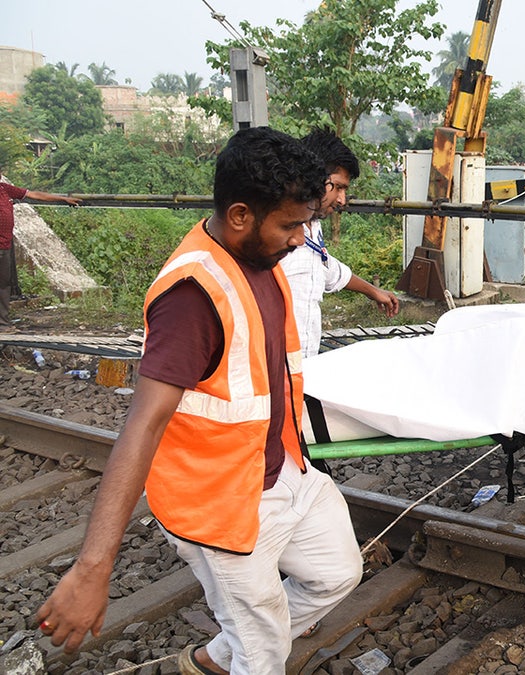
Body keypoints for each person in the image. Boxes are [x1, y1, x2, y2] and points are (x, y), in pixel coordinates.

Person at [35, 127, 363, 674]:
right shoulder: (191, 296)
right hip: (220, 502)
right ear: (240, 215)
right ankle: (241, 653)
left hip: (282, 470)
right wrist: (93, 568)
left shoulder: (261, 260)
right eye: (291, 224)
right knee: (263, 651)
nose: (300, 238)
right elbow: (143, 424)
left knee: (338, 574)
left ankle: (214, 658)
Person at [281, 128, 399, 359]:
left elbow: (326, 267)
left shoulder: (312, 225)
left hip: (303, 365)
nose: (342, 200)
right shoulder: (277, 236)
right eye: (338, 187)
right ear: (313, 177)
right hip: (273, 370)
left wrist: (373, 291)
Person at [0, 172, 82, 330]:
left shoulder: (4, 189)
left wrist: (63, 199)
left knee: (3, 286)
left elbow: (34, 194)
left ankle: (2, 324)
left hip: (4, 247)